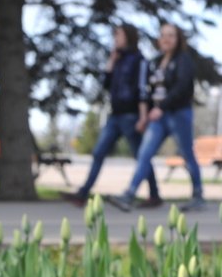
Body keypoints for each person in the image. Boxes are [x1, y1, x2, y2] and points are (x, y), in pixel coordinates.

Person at [108, 23, 204, 212]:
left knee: (187, 154)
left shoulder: (183, 60)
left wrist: (163, 106)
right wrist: (146, 115)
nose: (166, 39)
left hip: (178, 114)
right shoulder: (156, 62)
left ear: (178, 39)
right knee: (144, 154)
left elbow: (182, 87)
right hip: (158, 117)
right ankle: (130, 194)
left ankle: (198, 195)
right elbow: (149, 92)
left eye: (171, 35)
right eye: (163, 35)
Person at [63, 25, 154, 206]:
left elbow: (143, 90)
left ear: (128, 36)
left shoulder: (139, 60)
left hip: (131, 115)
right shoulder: (118, 60)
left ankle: (155, 195)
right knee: (99, 152)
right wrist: (111, 62)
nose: (115, 39)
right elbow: (106, 84)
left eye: (118, 35)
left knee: (141, 156)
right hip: (115, 115)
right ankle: (83, 193)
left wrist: (143, 116)